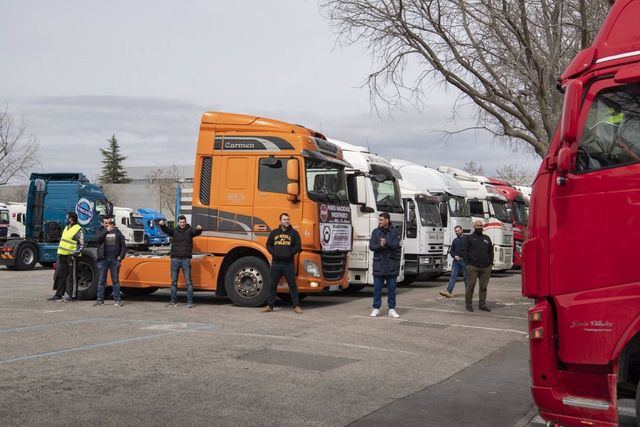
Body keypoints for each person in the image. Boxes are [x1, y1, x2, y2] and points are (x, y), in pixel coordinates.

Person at [261, 213, 303, 314]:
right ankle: (270, 306)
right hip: (276, 263)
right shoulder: (274, 233)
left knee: (292, 285)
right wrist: (274, 253)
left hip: (288, 264)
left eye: (288, 219)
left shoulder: (294, 233)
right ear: (280, 221)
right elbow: (268, 245)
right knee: (272, 285)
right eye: (284, 220)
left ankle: (296, 306)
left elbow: (298, 246)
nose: (287, 221)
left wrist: (289, 253)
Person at [160, 215, 202, 308]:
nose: (182, 224)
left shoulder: (190, 230)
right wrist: (162, 225)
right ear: (178, 222)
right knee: (173, 282)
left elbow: (196, 232)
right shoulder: (175, 230)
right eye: (180, 222)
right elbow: (167, 230)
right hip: (175, 259)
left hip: (185, 260)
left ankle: (190, 302)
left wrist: (199, 229)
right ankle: (173, 301)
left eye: (183, 222)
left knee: (188, 282)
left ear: (185, 222)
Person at [369, 212, 401, 318]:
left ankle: (392, 309)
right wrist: (380, 245)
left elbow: (396, 246)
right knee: (377, 288)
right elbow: (372, 247)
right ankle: (376, 308)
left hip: (391, 265)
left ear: (387, 220)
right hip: (379, 265)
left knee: (392, 288)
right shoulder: (375, 232)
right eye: (379, 220)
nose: (380, 222)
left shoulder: (395, 232)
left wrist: (386, 243)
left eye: (381, 220)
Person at [47, 212, 85, 302]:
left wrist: (75, 254)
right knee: (61, 275)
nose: (66, 218)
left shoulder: (78, 229)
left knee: (72, 276)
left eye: (67, 217)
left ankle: (73, 296)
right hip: (62, 255)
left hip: (71, 256)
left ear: (71, 218)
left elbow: (82, 244)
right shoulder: (66, 228)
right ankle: (59, 295)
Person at [94, 215, 126, 307]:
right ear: (102, 223)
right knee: (101, 280)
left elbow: (123, 245)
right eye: (106, 223)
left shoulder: (117, 232)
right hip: (103, 259)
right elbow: (97, 239)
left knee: (115, 281)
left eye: (109, 223)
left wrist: (121, 256)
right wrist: (106, 231)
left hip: (114, 260)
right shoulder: (100, 231)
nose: (108, 225)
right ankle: (100, 300)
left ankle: (117, 300)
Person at [462, 220, 494, 312]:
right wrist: (467, 264)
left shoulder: (487, 238)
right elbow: (464, 251)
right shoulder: (469, 238)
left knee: (483, 287)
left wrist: (491, 263)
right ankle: (468, 304)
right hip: (473, 267)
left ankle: (482, 304)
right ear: (474, 226)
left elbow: (490, 252)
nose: (480, 227)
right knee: (470, 286)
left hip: (486, 267)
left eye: (481, 225)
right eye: (478, 225)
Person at [440, 225, 467, 298]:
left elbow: (469, 250)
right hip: (455, 261)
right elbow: (451, 251)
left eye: (458, 230)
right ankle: (449, 292)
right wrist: (454, 256)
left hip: (464, 261)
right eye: (456, 231)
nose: (457, 232)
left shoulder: (467, 239)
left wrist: (463, 257)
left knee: (466, 277)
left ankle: (468, 292)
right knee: (453, 276)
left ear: (462, 230)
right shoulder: (455, 240)